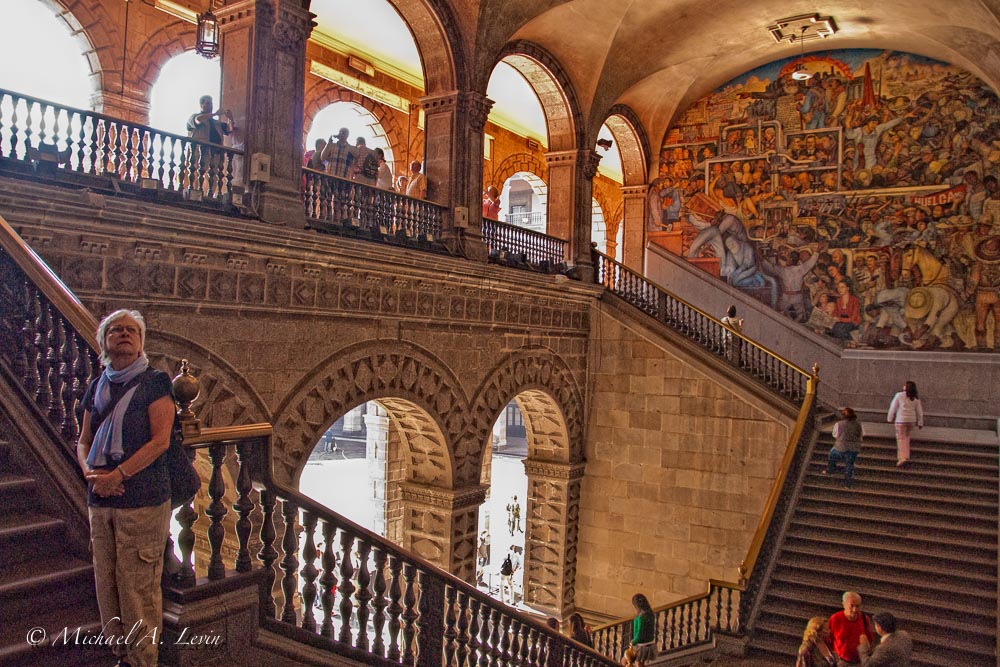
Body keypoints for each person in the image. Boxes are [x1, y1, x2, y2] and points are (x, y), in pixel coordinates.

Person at [76, 309, 175, 667]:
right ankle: (120, 654)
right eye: (115, 330)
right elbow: (84, 440)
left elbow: (160, 441)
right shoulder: (97, 386)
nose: (124, 334)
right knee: (108, 583)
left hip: (142, 500)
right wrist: (91, 473)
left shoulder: (155, 382)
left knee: (138, 589)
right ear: (103, 341)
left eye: (131, 330)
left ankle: (142, 660)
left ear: (141, 341)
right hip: (100, 501)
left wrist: (117, 476)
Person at [829, 591, 876, 667]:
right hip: (842, 662)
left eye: (857, 606)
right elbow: (829, 640)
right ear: (844, 605)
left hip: (859, 662)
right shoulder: (835, 619)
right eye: (851, 606)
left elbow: (870, 638)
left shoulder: (864, 619)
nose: (855, 610)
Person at [887, 381, 923, 466]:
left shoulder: (899, 395)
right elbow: (919, 412)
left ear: (905, 387)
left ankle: (902, 458)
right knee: (906, 438)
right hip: (911, 421)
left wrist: (890, 418)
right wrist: (920, 422)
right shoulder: (915, 398)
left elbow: (893, 407)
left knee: (900, 439)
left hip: (901, 420)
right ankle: (906, 456)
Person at [827, 407, 863, 487]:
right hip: (853, 447)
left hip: (841, 447)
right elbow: (859, 435)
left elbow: (835, 435)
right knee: (849, 464)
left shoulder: (839, 424)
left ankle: (831, 469)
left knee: (832, 455)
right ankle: (848, 483)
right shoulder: (858, 424)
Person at [629, 593, 656, 667]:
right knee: (640, 663)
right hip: (650, 643)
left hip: (642, 645)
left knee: (638, 663)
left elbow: (640, 634)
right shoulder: (650, 614)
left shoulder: (641, 617)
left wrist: (633, 642)